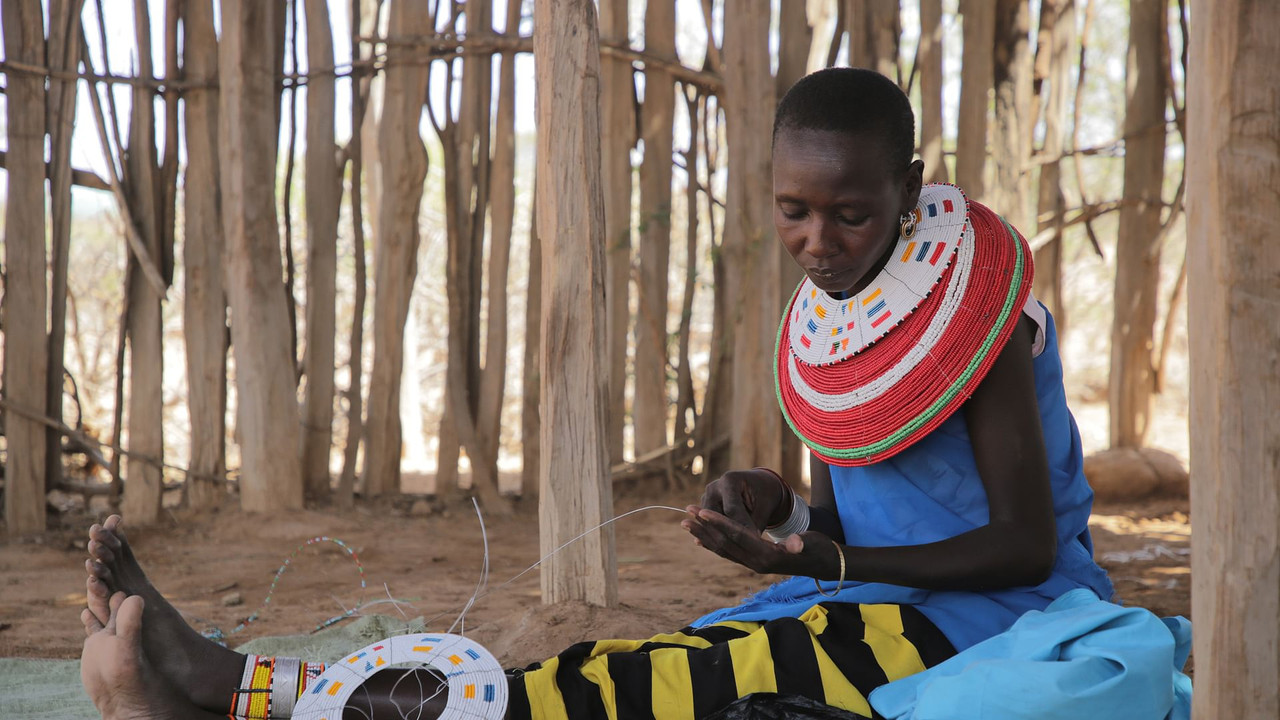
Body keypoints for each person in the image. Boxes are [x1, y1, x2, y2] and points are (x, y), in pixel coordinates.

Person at [79, 67, 1113, 720]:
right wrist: (782, 510)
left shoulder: (974, 321)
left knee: (625, 694)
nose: (816, 242)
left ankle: (231, 691)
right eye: (792, 212)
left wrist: (827, 558)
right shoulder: (841, 322)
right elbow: (866, 516)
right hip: (867, 594)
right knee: (633, 673)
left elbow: (1019, 544)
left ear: (907, 185)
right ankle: (242, 686)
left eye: (847, 213)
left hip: (990, 625)